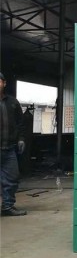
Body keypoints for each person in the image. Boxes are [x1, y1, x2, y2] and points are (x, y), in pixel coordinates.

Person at [0, 72, 27, 216]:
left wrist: (21, 139)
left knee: (12, 178)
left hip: (9, 149)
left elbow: (21, 124)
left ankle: (7, 206)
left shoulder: (13, 102)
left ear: (4, 83)